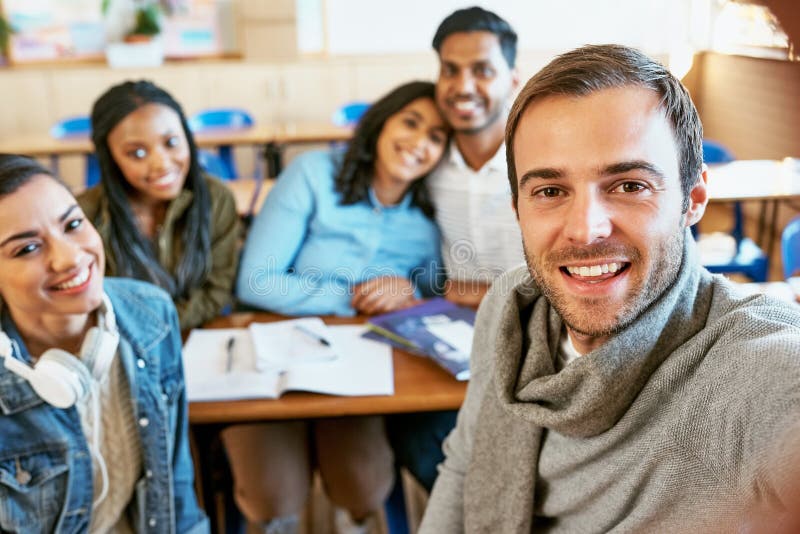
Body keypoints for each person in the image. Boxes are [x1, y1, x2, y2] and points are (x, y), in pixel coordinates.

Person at [420, 43, 800, 532]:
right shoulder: (511, 307)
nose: (585, 229)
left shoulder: (757, 368)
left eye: (628, 185)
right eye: (550, 192)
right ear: (518, 208)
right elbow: (465, 464)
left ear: (693, 199)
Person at [232, 81, 449, 534]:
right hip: (273, 351)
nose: (419, 143)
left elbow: (429, 291)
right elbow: (255, 281)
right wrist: (354, 295)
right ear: (380, 122)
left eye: (436, 137)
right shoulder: (313, 173)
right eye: (410, 122)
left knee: (362, 487)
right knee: (273, 494)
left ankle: (349, 516)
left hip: (355, 364)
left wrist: (406, 288)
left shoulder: (426, 219)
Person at [0, 154, 208, 533]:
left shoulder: (151, 315)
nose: (69, 258)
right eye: (27, 248)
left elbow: (177, 492)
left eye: (73, 224)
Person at [386, 6, 523, 494]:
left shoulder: (538, 158)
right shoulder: (426, 160)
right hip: (451, 349)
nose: (463, 86)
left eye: (482, 70)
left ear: (512, 77)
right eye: (450, 69)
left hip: (539, 341)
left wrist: (480, 292)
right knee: (419, 440)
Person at [78, 80, 241, 331]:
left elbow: (216, 290)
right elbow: (89, 306)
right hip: (122, 345)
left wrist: (160, 328)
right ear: (110, 157)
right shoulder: (85, 217)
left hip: (198, 337)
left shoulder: (216, 198)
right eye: (138, 153)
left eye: (171, 143)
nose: (161, 164)